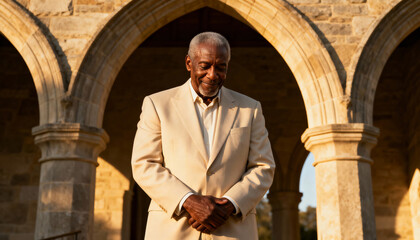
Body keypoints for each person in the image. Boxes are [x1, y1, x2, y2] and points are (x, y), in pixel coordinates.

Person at [131, 32, 275, 240]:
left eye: (221, 67)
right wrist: (188, 201)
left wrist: (229, 205)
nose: (213, 75)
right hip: (172, 230)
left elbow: (264, 167)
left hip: (232, 230)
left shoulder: (250, 109)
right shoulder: (157, 104)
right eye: (205, 66)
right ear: (189, 63)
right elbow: (144, 164)